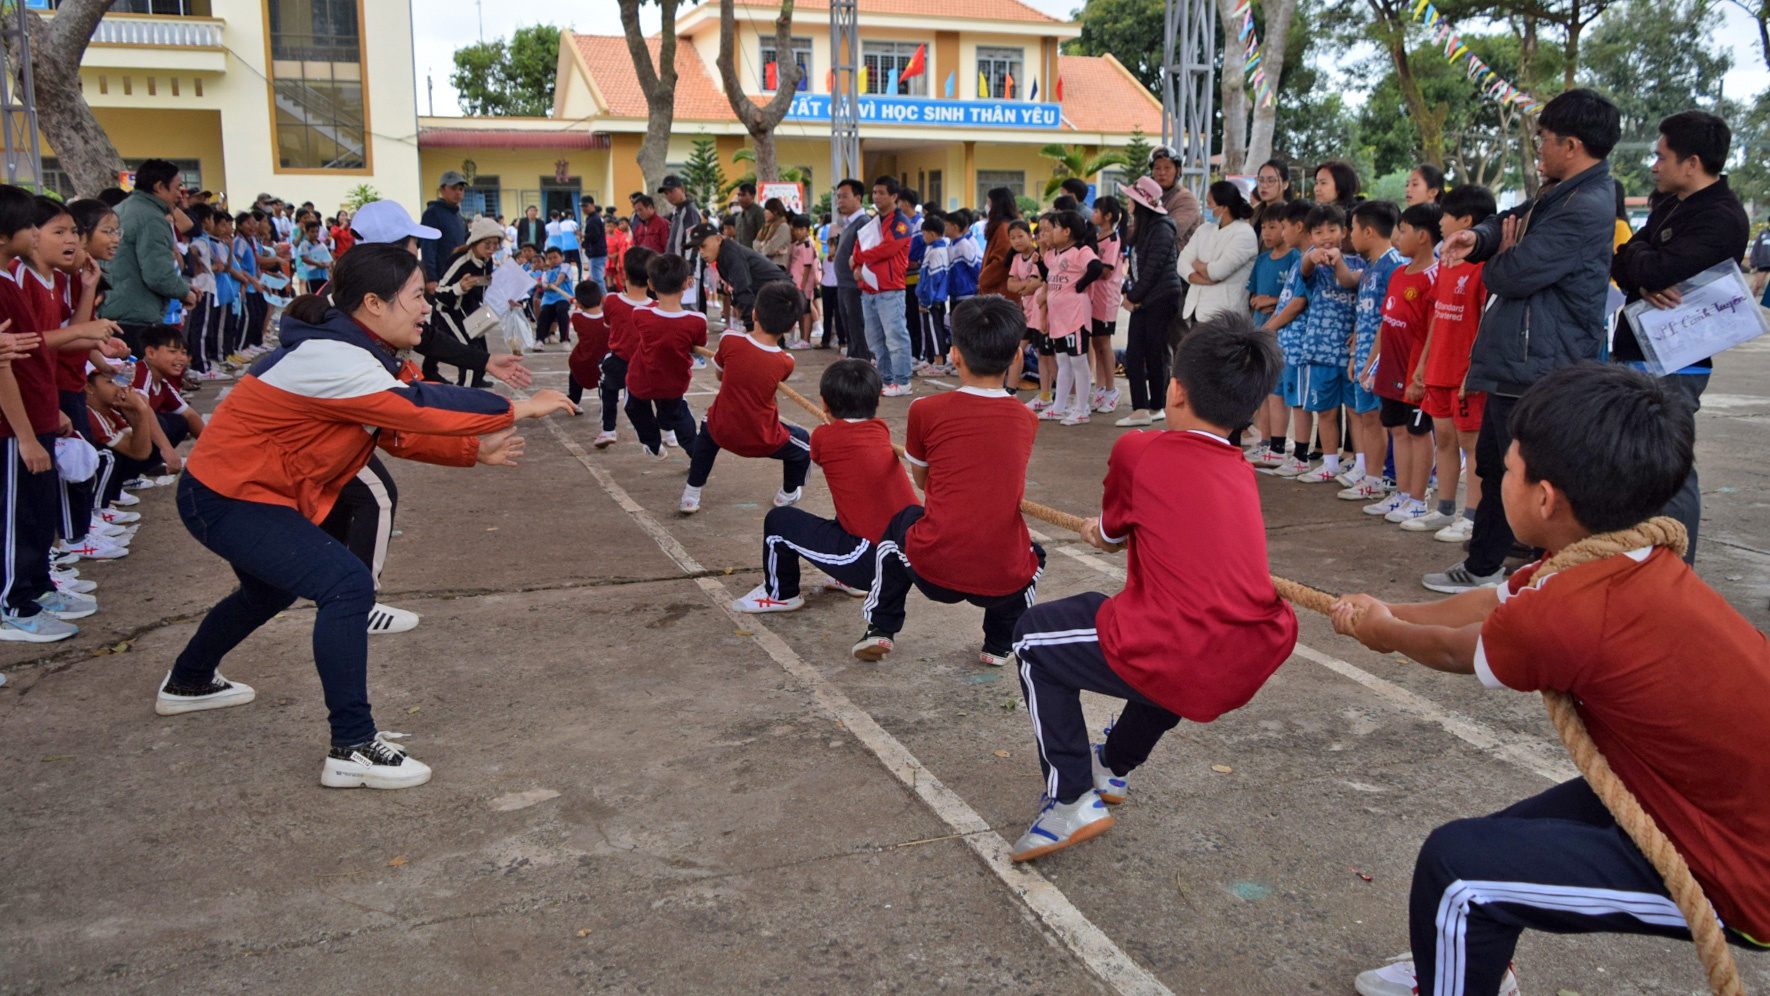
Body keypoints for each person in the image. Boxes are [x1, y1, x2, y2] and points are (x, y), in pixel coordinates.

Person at [1332, 363, 1770, 996]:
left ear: (1544, 498)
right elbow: (1492, 606)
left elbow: (1463, 650)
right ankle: (1472, 966)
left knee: (1459, 872)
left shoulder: (1569, 611)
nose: (1496, 476)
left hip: (1737, 868)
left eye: (1506, 470)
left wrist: (1384, 633)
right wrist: (1389, 611)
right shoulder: (1624, 553)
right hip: (1694, 792)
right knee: (1501, 843)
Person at [156, 243, 575, 788]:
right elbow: (416, 406)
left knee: (269, 591)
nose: (427, 308)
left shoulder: (364, 351)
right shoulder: (334, 357)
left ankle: (187, 680)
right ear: (374, 304)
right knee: (346, 584)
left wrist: (473, 450)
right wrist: (516, 408)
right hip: (226, 496)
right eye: (418, 297)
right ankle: (352, 746)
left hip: (246, 492)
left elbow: (393, 429)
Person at [1007, 312, 1297, 861]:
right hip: (1242, 659)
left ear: (1177, 389)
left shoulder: (1140, 450)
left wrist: (1102, 533)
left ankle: (1070, 798)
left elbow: (1112, 533)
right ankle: (1112, 766)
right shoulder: (1239, 467)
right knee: (1166, 635)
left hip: (1177, 649)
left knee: (1030, 640)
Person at [1424, 88, 1621, 595]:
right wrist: (1481, 239)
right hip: (1520, 357)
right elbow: (1509, 222)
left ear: (1572, 144)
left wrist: (1497, 257)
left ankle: (1532, 569)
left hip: (1543, 362)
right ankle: (1488, 564)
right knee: (1495, 465)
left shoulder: (1587, 205)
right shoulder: (1556, 192)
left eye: (1545, 139)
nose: (1539, 148)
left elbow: (1513, 276)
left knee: (1531, 474)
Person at [854, 295, 1046, 668]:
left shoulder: (924, 410)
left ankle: (881, 627)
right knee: (1034, 555)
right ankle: (999, 643)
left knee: (900, 524)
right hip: (1000, 579)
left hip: (934, 569)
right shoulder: (1027, 419)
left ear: (954, 354)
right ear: (1014, 359)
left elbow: (923, 480)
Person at [1610, 109, 1750, 565]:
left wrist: (1643, 264)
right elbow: (1624, 257)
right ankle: (1637, 561)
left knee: (1670, 472)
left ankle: (1674, 570)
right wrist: (1642, 266)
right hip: (1636, 350)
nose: (1654, 165)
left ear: (1692, 163)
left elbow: (1653, 266)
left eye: (1661, 156)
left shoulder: (1722, 217)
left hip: (1676, 362)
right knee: (1631, 468)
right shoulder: (1671, 204)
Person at [732, 358, 920, 614]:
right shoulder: (881, 429)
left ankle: (780, 594)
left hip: (872, 562)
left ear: (823, 403)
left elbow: (819, 454)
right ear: (876, 401)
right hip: (910, 558)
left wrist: (831, 426)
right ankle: (848, 581)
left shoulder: (823, 437)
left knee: (779, 522)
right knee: (855, 503)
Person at [1411, 184, 1497, 543]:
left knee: (1471, 444)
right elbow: (1436, 318)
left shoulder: (1483, 268)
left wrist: (1474, 369)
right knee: (1443, 438)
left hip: (1466, 374)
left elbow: (1485, 322)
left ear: (1466, 221)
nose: (1441, 222)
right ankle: (1445, 509)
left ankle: (1472, 515)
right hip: (1438, 369)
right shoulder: (1446, 262)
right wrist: (1423, 364)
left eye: (1446, 215)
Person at [680, 282, 811, 514]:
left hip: (721, 430)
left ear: (754, 313)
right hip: (760, 438)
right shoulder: (786, 361)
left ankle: (691, 494)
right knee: (803, 443)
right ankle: (788, 493)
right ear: (792, 327)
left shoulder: (729, 339)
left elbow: (720, 376)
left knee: (707, 428)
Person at [1363, 202, 1441, 525]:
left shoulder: (1434, 276)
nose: (1397, 237)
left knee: (1417, 430)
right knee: (1396, 428)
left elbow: (1436, 328)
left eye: (1403, 230)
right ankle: (1402, 492)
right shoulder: (1397, 273)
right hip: (1391, 365)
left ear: (1423, 236)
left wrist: (1421, 370)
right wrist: (1370, 364)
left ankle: (1418, 499)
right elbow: (1387, 321)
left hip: (1415, 369)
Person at [1289, 203, 1365, 484]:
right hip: (1320, 352)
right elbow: (1305, 267)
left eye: (1332, 229)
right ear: (1309, 236)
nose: (1326, 236)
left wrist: (1338, 259)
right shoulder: (1311, 261)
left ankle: (1361, 464)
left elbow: (1347, 281)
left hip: (1352, 353)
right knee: (1326, 412)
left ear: (1344, 231)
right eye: (1318, 232)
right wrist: (1315, 255)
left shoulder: (1360, 264)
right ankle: (1330, 463)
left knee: (1357, 411)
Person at [1337, 200, 1405, 498]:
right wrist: (1356, 355)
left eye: (1352, 229)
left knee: (1381, 419)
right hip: (1364, 355)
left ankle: (1383, 480)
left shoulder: (1394, 265)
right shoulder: (1369, 266)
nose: (1349, 236)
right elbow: (1364, 315)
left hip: (1384, 360)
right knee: (1367, 417)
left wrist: (1373, 360)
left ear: (1368, 231)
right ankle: (1371, 477)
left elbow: (1391, 319)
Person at [100, 159, 195, 357]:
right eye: (177, 188)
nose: (179, 195)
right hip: (135, 317)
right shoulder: (152, 218)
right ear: (160, 186)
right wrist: (186, 293)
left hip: (112, 311)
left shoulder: (121, 209)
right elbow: (158, 275)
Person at [623, 252, 705, 458]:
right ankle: (697, 455)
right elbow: (699, 344)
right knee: (678, 416)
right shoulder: (698, 321)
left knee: (634, 407)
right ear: (687, 283)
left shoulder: (640, 314)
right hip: (674, 384)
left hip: (642, 380)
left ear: (650, 284)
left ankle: (652, 443)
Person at [1115, 177, 1182, 427]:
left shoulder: (1162, 228)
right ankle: (1146, 407)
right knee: (1140, 353)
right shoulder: (1145, 228)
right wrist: (1128, 292)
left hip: (1159, 299)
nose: (1128, 203)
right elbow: (1135, 269)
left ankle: (1151, 406)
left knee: (1151, 353)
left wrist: (1133, 298)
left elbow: (1152, 270)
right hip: (1146, 299)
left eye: (1132, 199)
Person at [1246, 200, 1300, 468]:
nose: (1266, 233)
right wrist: (1260, 300)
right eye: (1264, 227)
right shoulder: (1263, 259)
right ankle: (1265, 442)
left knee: (1279, 391)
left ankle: (1279, 444)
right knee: (1265, 390)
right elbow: (1254, 295)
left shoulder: (1296, 258)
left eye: (1274, 227)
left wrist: (1272, 301)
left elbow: (1295, 299)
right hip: (1260, 329)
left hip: (1282, 334)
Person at [1038, 210, 1104, 425]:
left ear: (1067, 231)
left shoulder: (1080, 251)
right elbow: (1046, 270)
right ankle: (1059, 407)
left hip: (1074, 316)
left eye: (1054, 228)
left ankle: (1082, 409)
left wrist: (1080, 285)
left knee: (1078, 361)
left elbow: (1096, 267)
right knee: (1063, 361)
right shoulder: (1054, 254)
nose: (1050, 232)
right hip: (1058, 318)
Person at [424, 216, 504, 387]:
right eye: (487, 244)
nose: (491, 249)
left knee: (480, 348)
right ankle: (465, 390)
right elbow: (439, 292)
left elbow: (484, 287)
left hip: (470, 310)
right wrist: (459, 287)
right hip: (447, 309)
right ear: (475, 242)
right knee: (468, 350)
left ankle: (474, 380)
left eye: (495, 244)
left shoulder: (487, 261)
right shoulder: (460, 260)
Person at [853, 176, 915, 395]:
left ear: (894, 196)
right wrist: (858, 261)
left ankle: (902, 380)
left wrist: (859, 258)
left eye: (881, 193)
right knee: (876, 339)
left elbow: (887, 249)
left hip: (890, 289)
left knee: (896, 336)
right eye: (875, 192)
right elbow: (859, 242)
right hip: (869, 289)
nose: (876, 197)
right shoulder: (874, 222)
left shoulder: (901, 223)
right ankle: (887, 379)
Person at [593, 246, 656, 449]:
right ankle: (668, 433)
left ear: (623, 274)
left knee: (608, 390)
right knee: (649, 399)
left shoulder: (612, 300)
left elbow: (607, 325)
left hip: (619, 359)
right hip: (646, 363)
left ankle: (608, 430)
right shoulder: (656, 307)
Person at [1177, 181, 1260, 326]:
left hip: (1225, 317)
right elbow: (1182, 263)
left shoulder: (1244, 233)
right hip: (1198, 311)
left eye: (1209, 203)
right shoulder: (1204, 229)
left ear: (1223, 208)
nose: (1207, 208)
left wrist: (1197, 264)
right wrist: (1203, 277)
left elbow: (1217, 272)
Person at [690, 223, 791, 330]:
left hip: (783, 296)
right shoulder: (723, 256)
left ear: (718, 240)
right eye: (697, 248)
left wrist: (750, 326)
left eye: (703, 246)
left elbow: (744, 291)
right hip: (770, 298)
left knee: (766, 341)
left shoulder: (732, 255)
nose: (701, 252)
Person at [1009, 219, 1054, 409]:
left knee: (1046, 355)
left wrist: (1024, 287)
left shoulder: (1039, 255)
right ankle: (1010, 391)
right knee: (1017, 350)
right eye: (1013, 237)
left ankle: (1058, 395)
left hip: (1040, 312)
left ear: (1030, 236)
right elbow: (1010, 285)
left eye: (1021, 235)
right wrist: (1024, 286)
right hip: (1027, 314)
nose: (1017, 240)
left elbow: (1036, 284)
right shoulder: (1017, 259)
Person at [1088, 195, 1125, 414]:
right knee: (1096, 343)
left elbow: (1105, 271)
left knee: (1103, 342)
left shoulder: (1112, 240)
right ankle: (1101, 387)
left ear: (1108, 216)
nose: (1093, 215)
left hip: (1106, 298)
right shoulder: (1098, 238)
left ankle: (1112, 389)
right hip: (1094, 297)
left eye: (1096, 211)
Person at [831, 179, 872, 361]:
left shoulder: (864, 222)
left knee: (857, 325)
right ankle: (853, 358)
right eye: (838, 197)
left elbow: (866, 253)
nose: (840, 201)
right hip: (844, 283)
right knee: (849, 325)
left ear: (858, 198)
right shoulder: (848, 222)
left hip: (855, 285)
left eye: (845, 196)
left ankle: (862, 362)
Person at [1145, 145, 1205, 263]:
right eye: (1157, 168)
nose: (1162, 173)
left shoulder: (1185, 198)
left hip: (1179, 270)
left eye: (1167, 168)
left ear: (1178, 171)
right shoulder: (1149, 197)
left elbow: (1169, 233)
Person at [418, 170, 468, 295]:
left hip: (457, 275)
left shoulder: (458, 216)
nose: (458, 192)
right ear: (442, 190)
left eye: (461, 189)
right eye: (453, 188)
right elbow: (428, 247)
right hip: (441, 277)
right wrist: (431, 277)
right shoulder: (433, 213)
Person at [914, 214, 951, 374]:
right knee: (930, 330)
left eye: (924, 234)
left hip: (932, 300)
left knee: (935, 331)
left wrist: (925, 301)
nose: (923, 237)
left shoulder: (937, 252)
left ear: (933, 234)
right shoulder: (936, 248)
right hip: (933, 298)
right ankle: (930, 360)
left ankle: (938, 363)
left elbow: (933, 279)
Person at [566, 280, 607, 409]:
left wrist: (578, 305)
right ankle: (605, 405)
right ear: (602, 298)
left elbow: (578, 313)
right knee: (605, 383)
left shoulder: (578, 317)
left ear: (579, 304)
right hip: (604, 361)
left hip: (582, 360)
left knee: (575, 376)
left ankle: (574, 402)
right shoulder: (609, 319)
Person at [975, 186, 1021, 303]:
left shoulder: (1004, 227)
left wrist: (984, 278)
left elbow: (1002, 260)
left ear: (996, 205)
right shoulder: (1001, 226)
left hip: (1001, 290)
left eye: (988, 203)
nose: (986, 206)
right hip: (997, 289)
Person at [788, 214, 819, 349]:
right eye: (796, 229)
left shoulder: (807, 245)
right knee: (800, 310)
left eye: (801, 229)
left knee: (806, 311)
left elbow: (807, 267)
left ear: (807, 230)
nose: (798, 232)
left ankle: (806, 339)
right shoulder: (795, 244)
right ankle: (801, 338)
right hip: (794, 282)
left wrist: (803, 285)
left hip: (803, 284)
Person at [534, 246, 574, 346]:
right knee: (544, 315)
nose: (553, 260)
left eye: (555, 257)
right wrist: (547, 285)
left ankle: (565, 340)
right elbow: (544, 284)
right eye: (550, 258)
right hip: (548, 299)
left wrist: (555, 284)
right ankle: (540, 340)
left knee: (561, 311)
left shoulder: (566, 266)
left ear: (561, 257)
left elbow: (562, 276)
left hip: (563, 297)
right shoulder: (546, 273)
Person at [1251, 157, 1295, 229]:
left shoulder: (1291, 216)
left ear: (1285, 184)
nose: (1264, 185)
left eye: (1271, 180)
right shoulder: (1254, 213)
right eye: (1261, 180)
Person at [753, 197, 793, 269]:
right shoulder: (766, 226)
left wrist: (762, 246)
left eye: (767, 209)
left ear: (775, 211)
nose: (764, 212)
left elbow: (771, 248)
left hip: (777, 265)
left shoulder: (783, 226)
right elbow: (755, 244)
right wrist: (764, 245)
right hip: (764, 263)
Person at [579, 195, 608, 289]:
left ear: (592, 205)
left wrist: (582, 235)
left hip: (597, 253)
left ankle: (603, 301)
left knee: (597, 279)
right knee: (595, 278)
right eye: (582, 206)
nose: (584, 208)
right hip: (595, 253)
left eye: (586, 206)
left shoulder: (594, 219)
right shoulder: (591, 218)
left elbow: (594, 236)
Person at [732, 182, 765, 248]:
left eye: (743, 195)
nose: (740, 198)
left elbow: (762, 236)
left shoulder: (759, 212)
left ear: (752, 196)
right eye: (739, 195)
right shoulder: (738, 217)